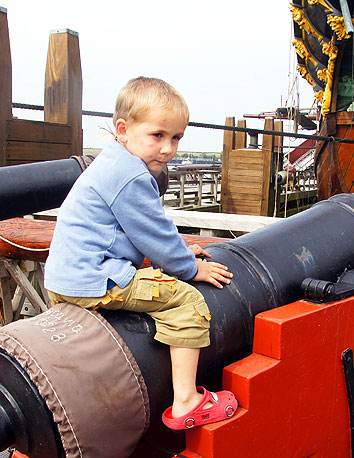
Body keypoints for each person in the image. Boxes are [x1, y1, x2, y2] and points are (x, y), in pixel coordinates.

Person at [44, 76, 237, 431]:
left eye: (176, 137)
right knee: (186, 302)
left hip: (66, 277)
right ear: (123, 129)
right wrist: (189, 267)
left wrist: (175, 249)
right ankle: (185, 402)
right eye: (158, 135)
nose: (168, 149)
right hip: (96, 278)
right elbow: (153, 232)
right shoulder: (131, 176)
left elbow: (137, 233)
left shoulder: (112, 163)